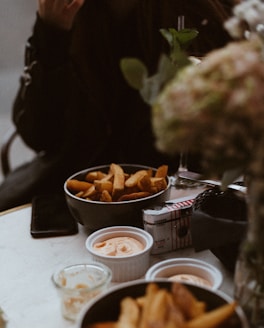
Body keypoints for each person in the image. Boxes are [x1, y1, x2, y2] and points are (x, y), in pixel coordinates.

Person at [0, 0, 237, 211]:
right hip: (68, 190)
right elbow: (38, 135)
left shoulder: (200, 13)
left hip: (173, 196)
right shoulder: (67, 9)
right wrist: (51, 33)